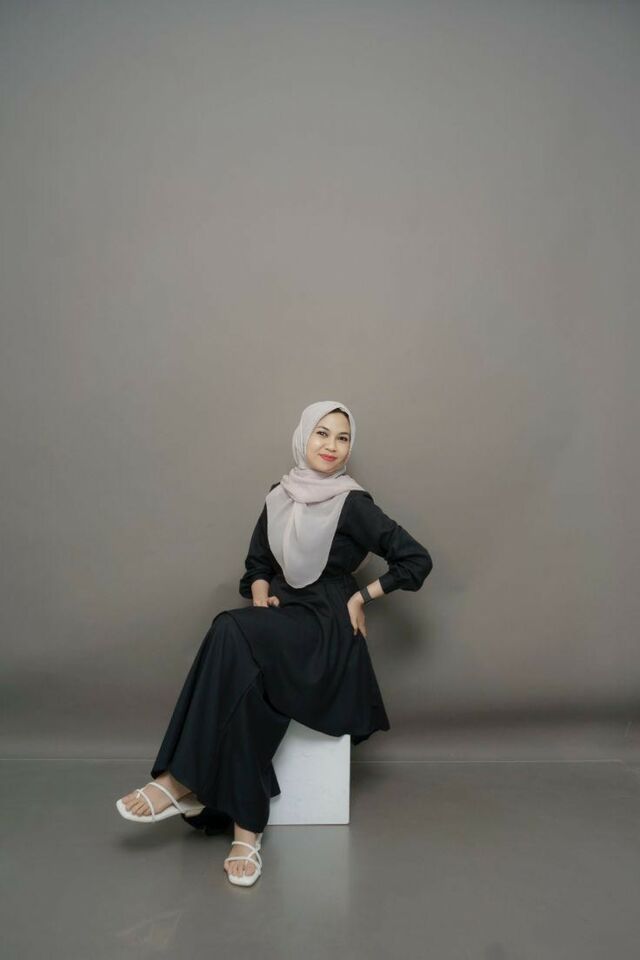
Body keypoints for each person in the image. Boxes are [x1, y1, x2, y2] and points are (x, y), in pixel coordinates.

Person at [116, 400, 433, 886]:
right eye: (322, 433)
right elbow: (258, 565)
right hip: (282, 618)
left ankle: (180, 782)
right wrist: (261, 595)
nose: (331, 446)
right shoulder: (278, 496)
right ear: (303, 437)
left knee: (229, 629)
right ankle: (246, 831)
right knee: (244, 673)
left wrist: (361, 597)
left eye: (343, 437)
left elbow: (415, 560)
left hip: (325, 631)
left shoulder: (352, 503)